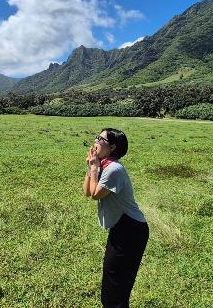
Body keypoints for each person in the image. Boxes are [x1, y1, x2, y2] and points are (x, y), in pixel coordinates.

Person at [83, 128, 148, 308]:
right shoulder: (104, 165)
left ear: (112, 147)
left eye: (101, 139)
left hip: (132, 229)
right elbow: (87, 192)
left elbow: (96, 194)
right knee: (112, 274)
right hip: (121, 226)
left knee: (118, 279)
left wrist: (94, 168)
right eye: (97, 136)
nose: (96, 141)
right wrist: (91, 167)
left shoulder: (114, 169)